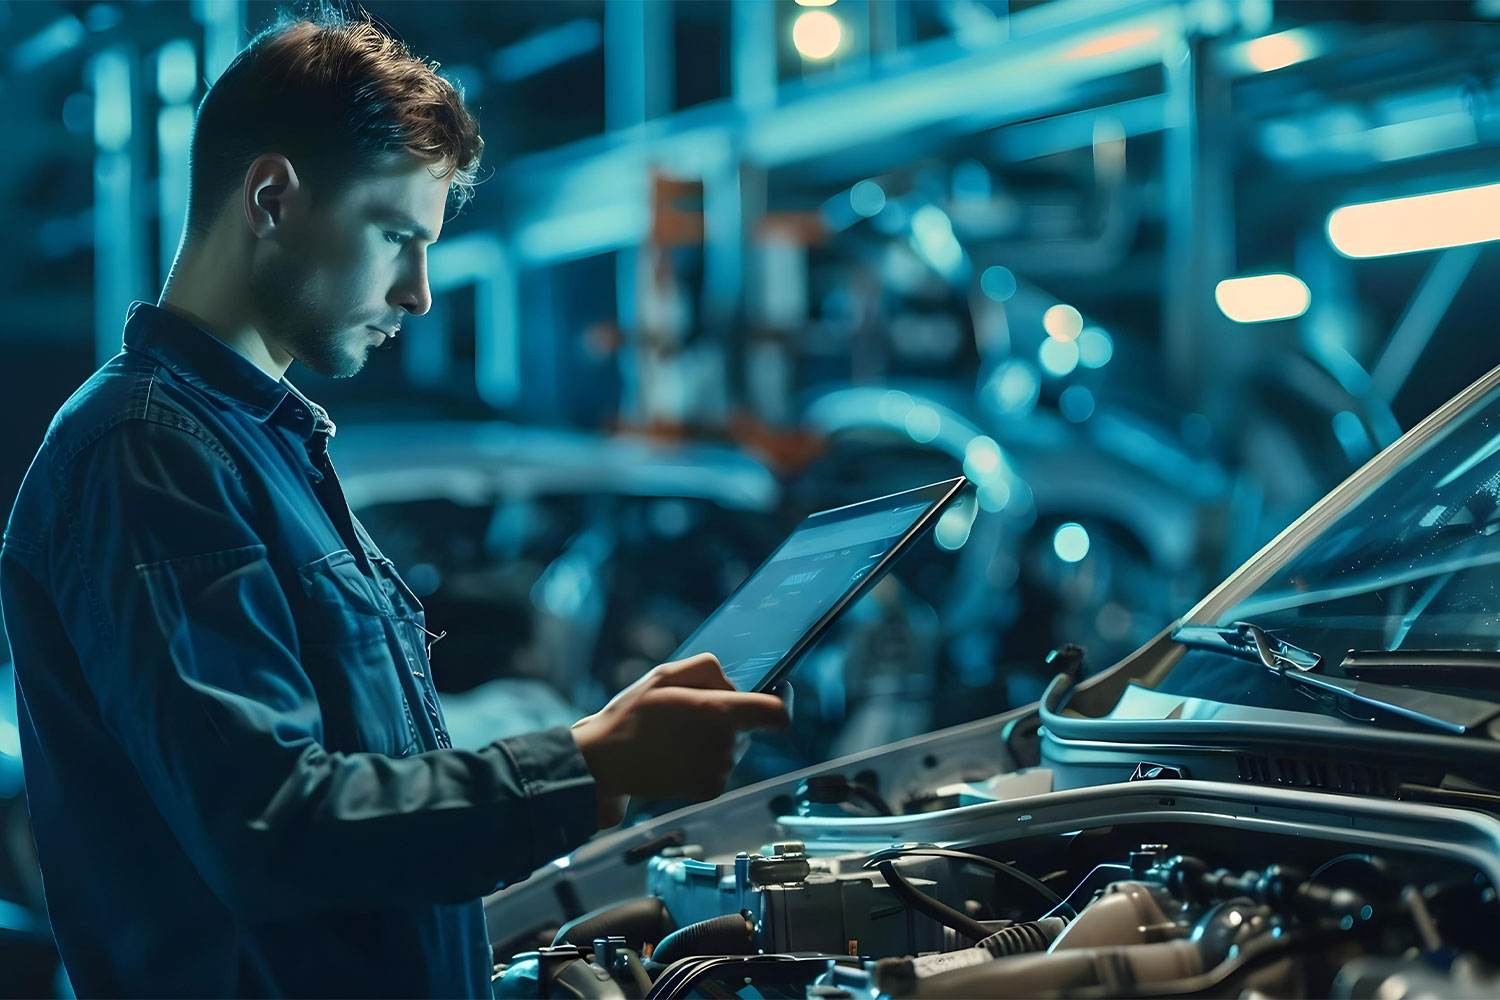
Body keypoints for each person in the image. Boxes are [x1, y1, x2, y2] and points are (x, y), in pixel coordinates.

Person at [0, 10, 787, 997]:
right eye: (398, 237)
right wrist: (582, 765)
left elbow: (349, 788)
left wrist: (598, 744)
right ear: (274, 198)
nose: (418, 294)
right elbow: (271, 824)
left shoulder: (255, 447)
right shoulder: (148, 451)